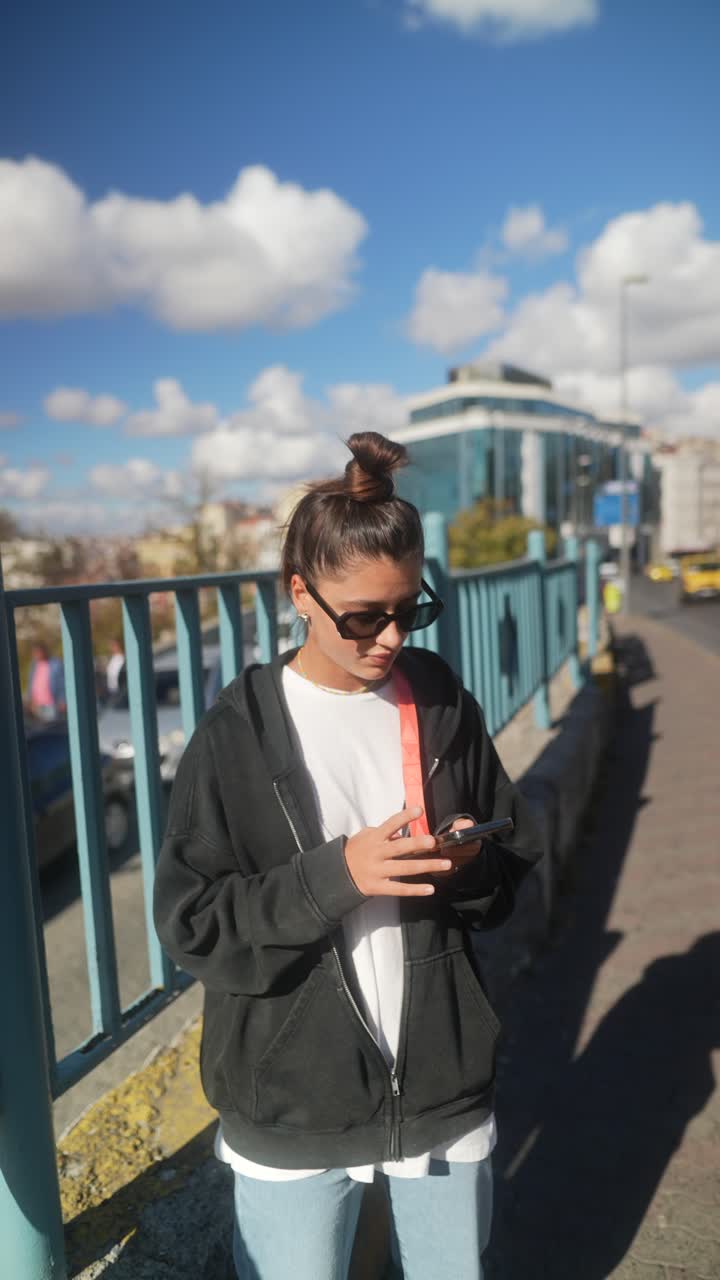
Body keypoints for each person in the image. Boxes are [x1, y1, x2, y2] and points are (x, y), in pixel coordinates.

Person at [153, 432, 544, 1280]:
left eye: (411, 610)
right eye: (364, 616)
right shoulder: (237, 735)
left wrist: (469, 865)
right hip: (292, 1104)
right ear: (300, 591)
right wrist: (339, 877)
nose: (390, 638)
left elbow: (513, 853)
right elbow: (193, 924)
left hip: (443, 1088)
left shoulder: (439, 699)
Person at [25, 641, 66, 721]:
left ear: (44, 651)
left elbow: (62, 683)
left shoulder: (56, 664)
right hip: (37, 705)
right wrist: (29, 699)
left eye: (38, 652)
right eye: (35, 653)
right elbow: (31, 683)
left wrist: (63, 700)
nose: (37, 654)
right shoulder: (34, 665)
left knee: (53, 725)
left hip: (52, 704)